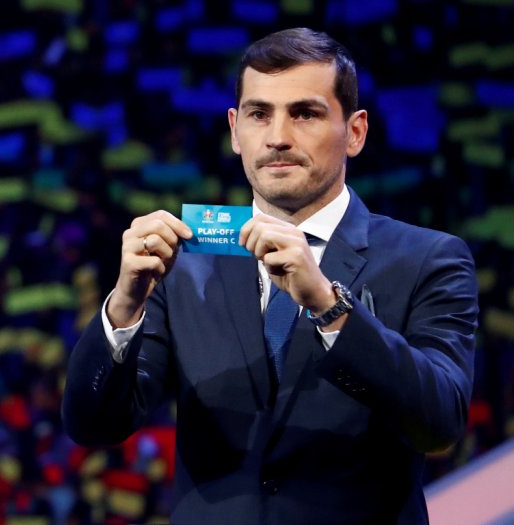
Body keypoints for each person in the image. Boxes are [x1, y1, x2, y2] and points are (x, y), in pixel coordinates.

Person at [62, 27, 478, 524]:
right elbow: (95, 425)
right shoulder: (181, 266)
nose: (278, 137)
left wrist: (328, 306)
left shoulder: (428, 259)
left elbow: (439, 424)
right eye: (259, 114)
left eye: (305, 113)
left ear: (355, 132)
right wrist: (123, 307)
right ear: (235, 130)